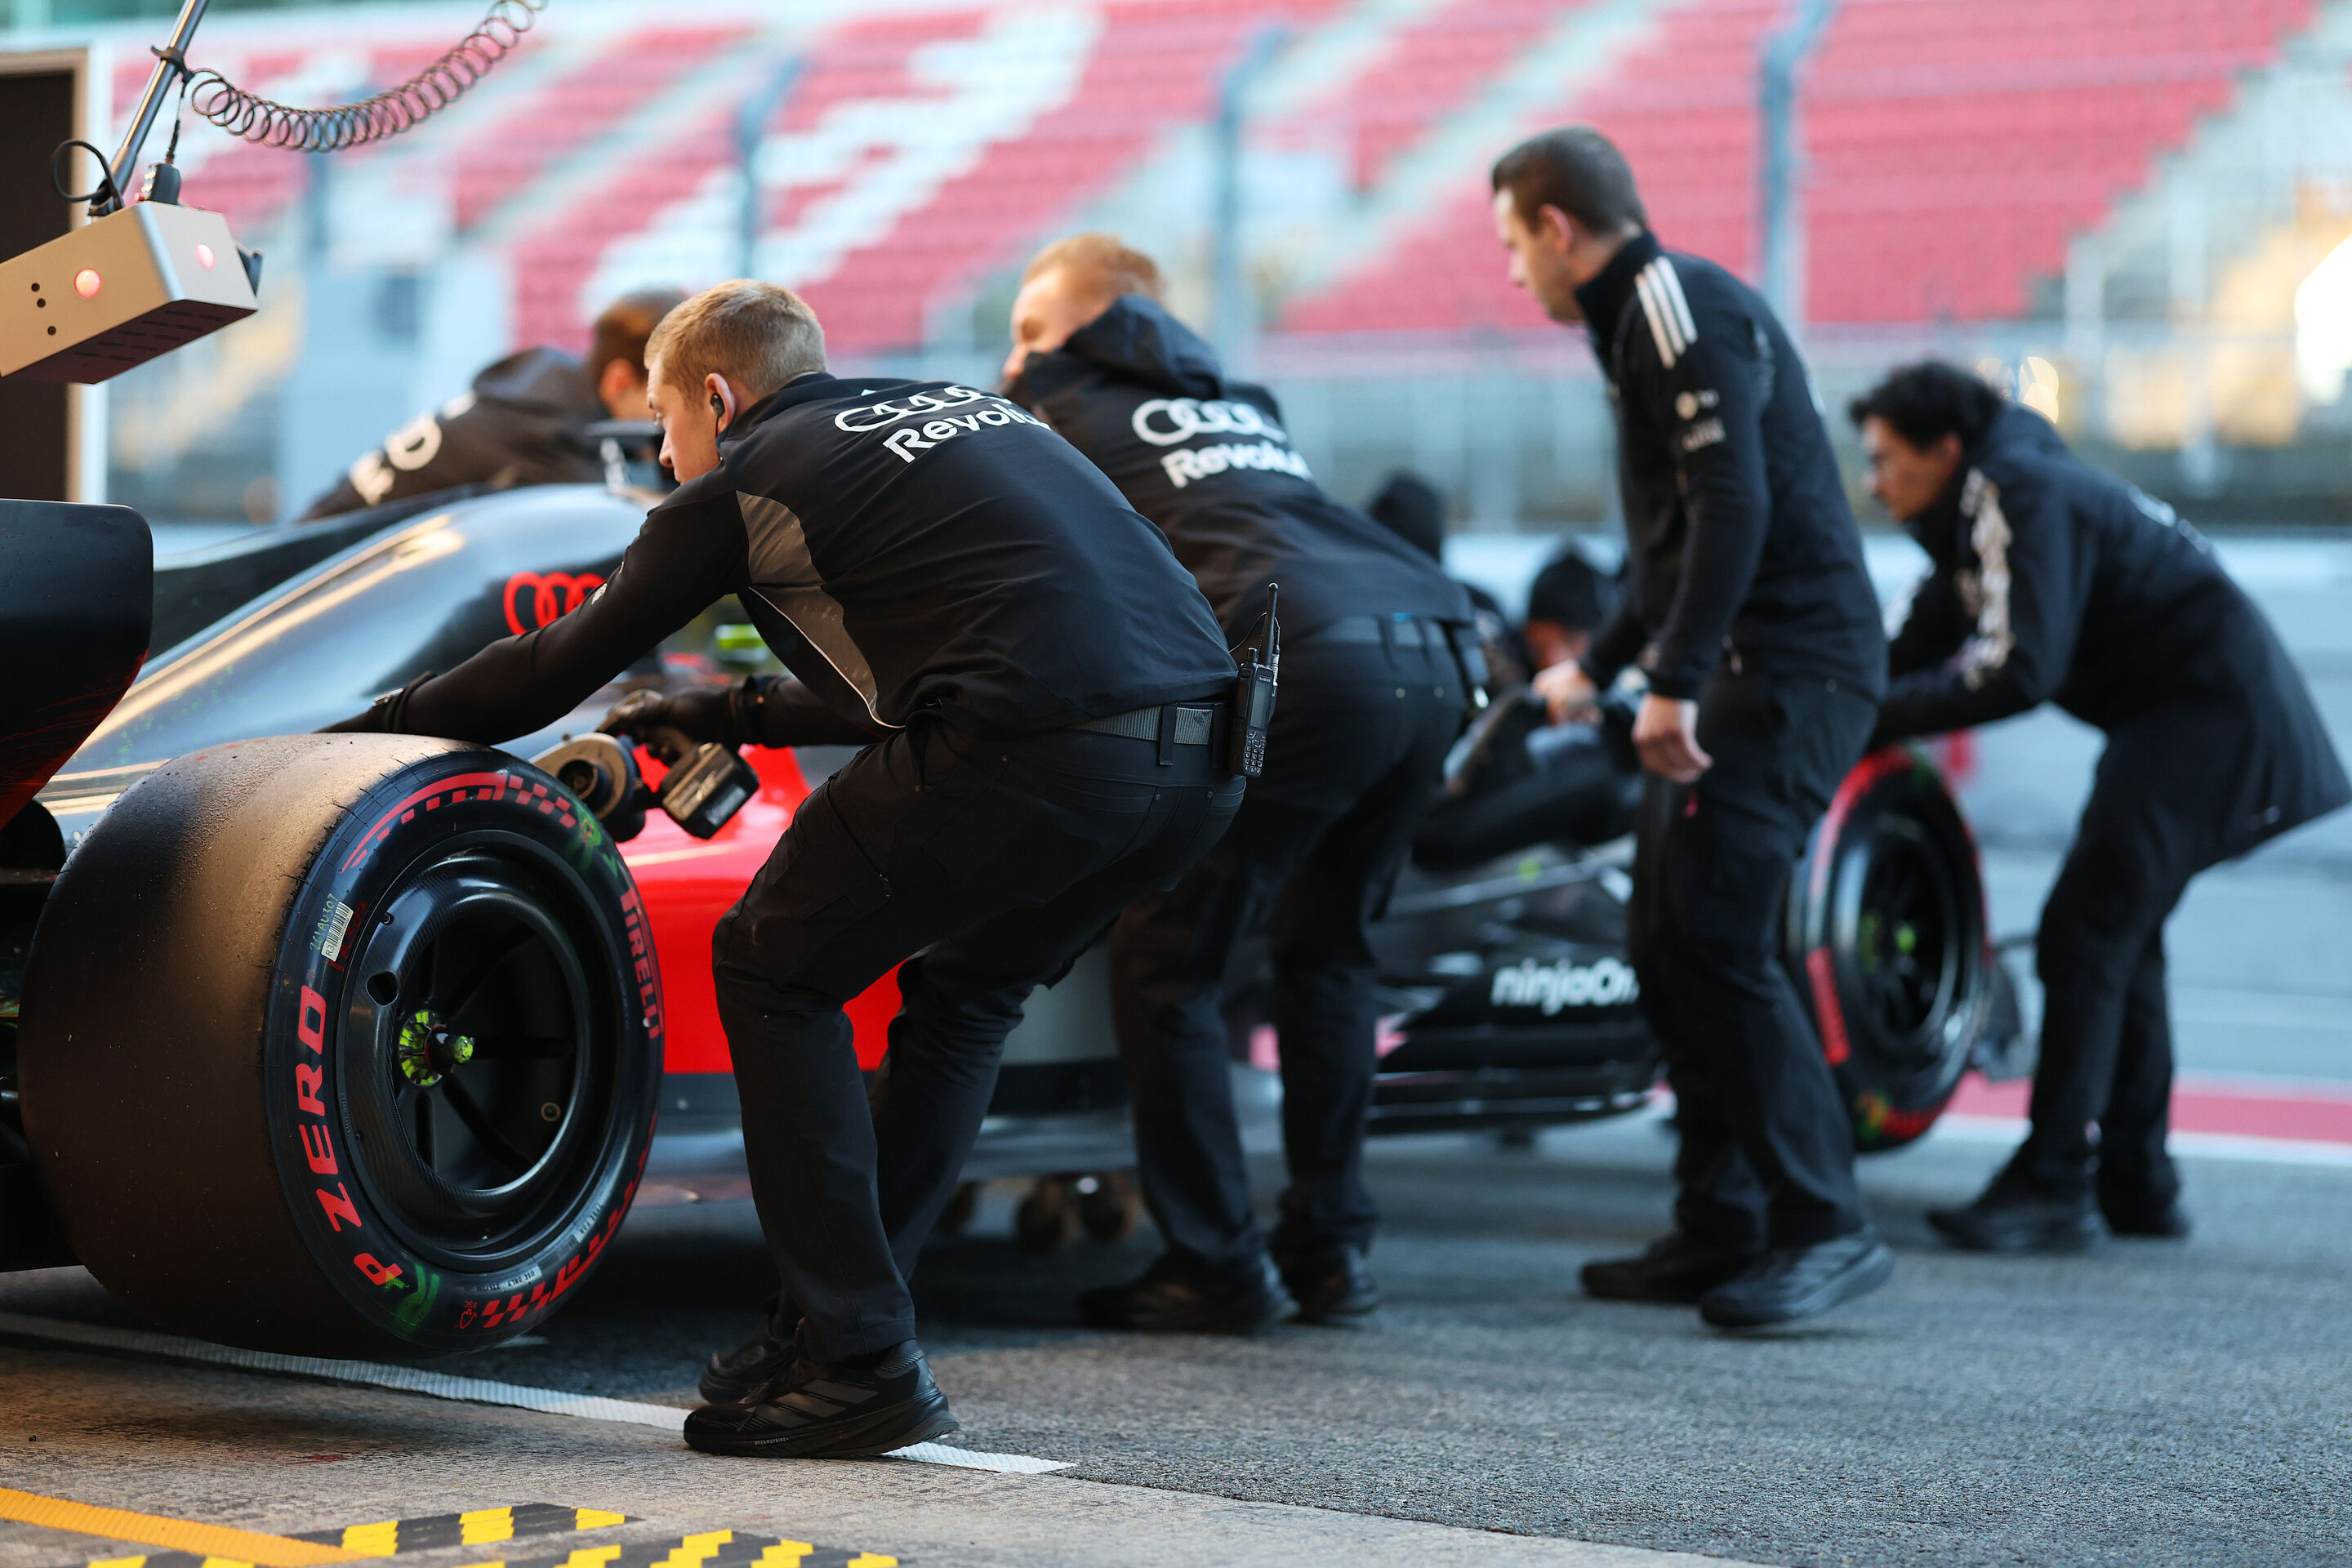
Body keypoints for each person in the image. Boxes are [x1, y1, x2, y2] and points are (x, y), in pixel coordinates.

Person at [327, 279, 1244, 1455]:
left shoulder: (744, 478)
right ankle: (829, 1330)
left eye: (664, 424)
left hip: (1037, 751)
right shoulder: (960, 412)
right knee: (965, 997)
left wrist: (364, 730)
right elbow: (972, 645)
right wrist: (729, 710)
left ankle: (859, 1356)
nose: (664, 457)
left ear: (717, 396)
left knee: (770, 966)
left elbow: (553, 668)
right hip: (1204, 765)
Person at [1003, 234, 1478, 1330]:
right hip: (1429, 652)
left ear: (1086, 328)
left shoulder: (1050, 402)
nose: (1013, 355)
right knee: (1330, 954)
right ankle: (1330, 1252)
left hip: (1305, 661)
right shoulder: (1239, 399)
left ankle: (1215, 1265)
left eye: (1029, 330)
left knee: (1168, 957)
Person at [1495, 127, 1894, 1329]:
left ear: (1558, 227)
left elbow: (1733, 502)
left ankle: (1825, 1226)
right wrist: (1602, 665)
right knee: (1667, 938)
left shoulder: (1673, 304)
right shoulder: (1636, 329)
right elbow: (1674, 548)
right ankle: (1720, 1224)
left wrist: (1666, 678)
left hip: (1791, 670)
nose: (1514, 271)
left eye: (1514, 244)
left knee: (1717, 934)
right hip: (1733, 668)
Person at [1851, 361, 2350, 1250]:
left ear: (1946, 450)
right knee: (2120, 937)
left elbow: (2019, 668)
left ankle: (2054, 1182)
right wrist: (1843, 706)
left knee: (2084, 933)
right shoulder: (1986, 509)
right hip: (2195, 718)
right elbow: (1916, 643)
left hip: (2209, 720)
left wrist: (1873, 718)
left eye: (1887, 459)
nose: (1874, 482)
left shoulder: (2014, 489)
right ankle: (2137, 1181)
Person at [296, 288, 685, 519]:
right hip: (316, 563)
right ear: (619, 383)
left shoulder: (553, 395)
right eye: (663, 403)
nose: (666, 422)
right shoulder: (549, 430)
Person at [1412, 550, 1635, 871]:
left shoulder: (1626, 692)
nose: (1553, 660)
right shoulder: (1506, 677)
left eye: (1569, 641)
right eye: (1539, 646)